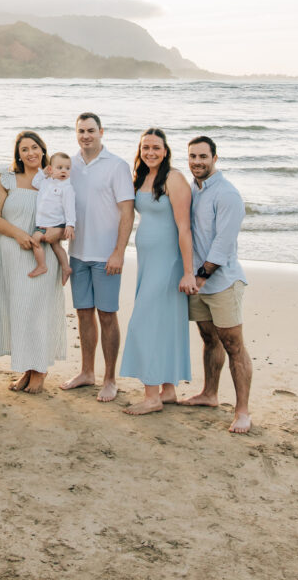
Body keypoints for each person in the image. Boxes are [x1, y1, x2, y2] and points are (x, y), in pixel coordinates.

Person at [120, 128, 197, 414]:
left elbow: (184, 228)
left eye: (156, 147)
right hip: (147, 261)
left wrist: (188, 272)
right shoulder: (141, 177)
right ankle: (168, 390)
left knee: (145, 321)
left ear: (165, 151)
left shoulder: (173, 178)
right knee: (163, 322)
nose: (150, 152)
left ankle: (151, 396)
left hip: (168, 262)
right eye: (145, 147)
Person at [61, 112, 135, 403]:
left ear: (101, 131)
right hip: (77, 253)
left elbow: (127, 212)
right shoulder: (70, 164)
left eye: (91, 130)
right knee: (83, 313)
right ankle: (87, 372)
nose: (86, 135)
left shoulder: (117, 166)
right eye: (81, 131)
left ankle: (110, 378)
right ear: (76, 133)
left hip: (106, 256)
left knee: (107, 315)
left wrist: (119, 252)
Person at [183, 136, 251, 434]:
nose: (197, 161)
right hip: (200, 283)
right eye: (192, 156)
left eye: (203, 156)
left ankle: (242, 411)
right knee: (209, 340)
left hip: (221, 282)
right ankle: (209, 394)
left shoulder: (227, 194)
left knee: (234, 346)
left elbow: (223, 245)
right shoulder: (194, 191)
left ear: (215, 158)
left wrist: (200, 276)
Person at [0, 130, 66, 394]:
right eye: (24, 149)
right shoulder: (7, 180)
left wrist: (45, 237)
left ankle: (40, 370)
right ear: (18, 154)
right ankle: (27, 368)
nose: (30, 153)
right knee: (19, 313)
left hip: (42, 256)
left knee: (37, 313)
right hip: (11, 255)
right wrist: (19, 235)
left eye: (34, 147)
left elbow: (65, 217)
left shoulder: (54, 177)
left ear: (43, 150)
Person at [29, 152, 75, 284]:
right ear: (51, 169)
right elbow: (35, 182)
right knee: (52, 245)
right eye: (59, 168)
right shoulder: (46, 182)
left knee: (37, 240)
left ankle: (42, 266)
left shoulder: (67, 188)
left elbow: (70, 208)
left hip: (56, 223)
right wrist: (43, 172)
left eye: (67, 168)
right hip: (42, 223)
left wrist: (70, 225)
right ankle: (65, 268)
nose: (64, 171)